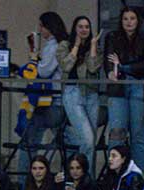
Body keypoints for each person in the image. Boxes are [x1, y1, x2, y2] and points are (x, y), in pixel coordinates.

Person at [104, 7, 144, 172]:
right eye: (125, 18)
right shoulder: (112, 37)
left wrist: (122, 67)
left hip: (138, 87)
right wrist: (111, 71)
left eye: (132, 18)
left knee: (137, 137)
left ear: (138, 20)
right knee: (116, 134)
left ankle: (136, 179)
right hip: (118, 87)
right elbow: (109, 61)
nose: (129, 22)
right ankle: (114, 177)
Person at [16, 13, 68, 180]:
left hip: (51, 101)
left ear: (49, 27)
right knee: (66, 141)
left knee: (28, 141)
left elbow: (44, 71)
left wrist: (33, 61)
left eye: (41, 26)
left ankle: (23, 182)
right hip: (58, 100)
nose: (40, 30)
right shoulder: (58, 44)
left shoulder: (53, 46)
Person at [58, 16, 102, 169]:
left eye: (87, 27)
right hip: (72, 92)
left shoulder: (94, 46)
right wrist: (75, 46)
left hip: (91, 94)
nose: (84, 30)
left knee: (90, 141)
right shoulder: (64, 45)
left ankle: (85, 179)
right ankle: (82, 178)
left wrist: (93, 47)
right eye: (80, 26)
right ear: (74, 29)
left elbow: (92, 68)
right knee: (87, 140)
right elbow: (66, 66)